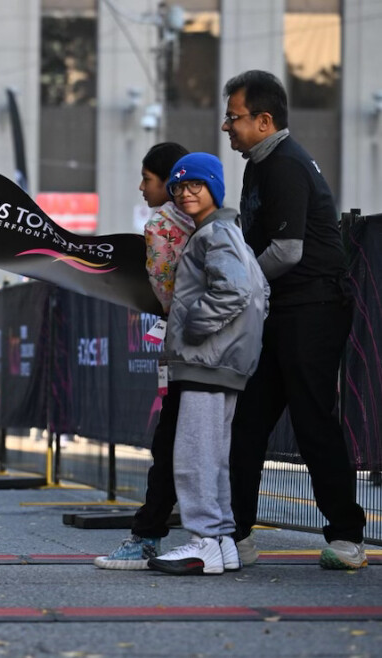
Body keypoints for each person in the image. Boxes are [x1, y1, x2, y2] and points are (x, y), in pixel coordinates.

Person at [223, 70, 368, 570]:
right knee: (248, 422)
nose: (226, 126)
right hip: (279, 309)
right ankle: (236, 534)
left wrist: (238, 285)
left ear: (264, 121)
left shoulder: (285, 164)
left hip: (313, 308)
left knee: (312, 422)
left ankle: (347, 536)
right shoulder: (259, 165)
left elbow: (287, 250)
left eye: (234, 117)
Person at [147, 153, 268, 576]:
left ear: (214, 187)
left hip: (207, 360)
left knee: (194, 455)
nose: (185, 193)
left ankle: (203, 542)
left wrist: (195, 326)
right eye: (178, 187)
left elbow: (235, 290)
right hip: (222, 362)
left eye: (195, 184)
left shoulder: (213, 233)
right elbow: (261, 290)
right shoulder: (228, 231)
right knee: (213, 456)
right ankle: (221, 543)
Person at [96, 142, 194, 570]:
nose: (141, 187)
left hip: (185, 348)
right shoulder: (217, 221)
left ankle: (148, 535)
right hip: (229, 350)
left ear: (171, 183)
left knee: (169, 442)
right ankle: (231, 536)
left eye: (147, 178)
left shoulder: (161, 226)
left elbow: (164, 293)